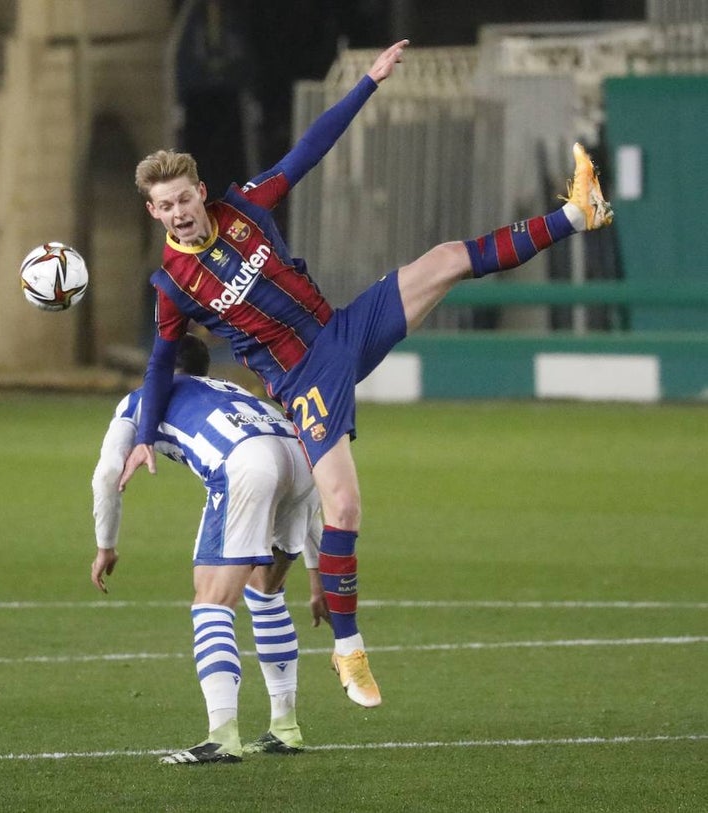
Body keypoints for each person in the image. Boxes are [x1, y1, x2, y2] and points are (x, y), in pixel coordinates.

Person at [119, 39, 614, 709]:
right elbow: (158, 359)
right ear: (154, 212)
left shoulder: (247, 206)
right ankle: (349, 651)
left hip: (342, 331)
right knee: (345, 506)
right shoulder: (173, 286)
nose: (179, 210)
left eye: (184, 197)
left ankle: (578, 213)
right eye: (165, 205)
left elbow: (309, 150)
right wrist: (145, 433)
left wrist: (372, 82)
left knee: (445, 259)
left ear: (200, 191)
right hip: (303, 381)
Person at [92, 333, 323, 764]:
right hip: (301, 456)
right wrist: (318, 574)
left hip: (245, 465)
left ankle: (221, 736)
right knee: (265, 591)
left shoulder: (141, 399)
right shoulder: (233, 389)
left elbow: (108, 473)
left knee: (212, 601)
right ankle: (284, 728)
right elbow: (304, 481)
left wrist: (106, 545)